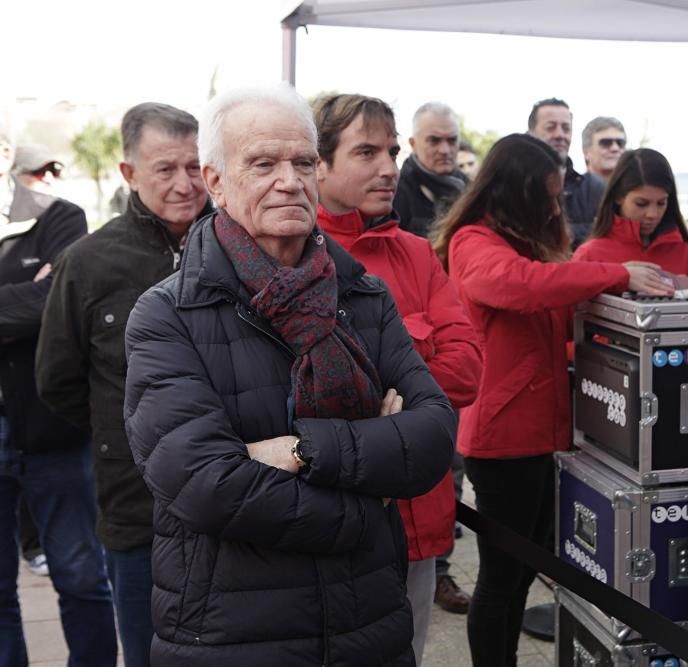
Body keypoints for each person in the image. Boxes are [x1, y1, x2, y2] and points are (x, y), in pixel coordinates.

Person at [122, 84, 455, 666]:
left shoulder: (362, 295)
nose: (289, 180)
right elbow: (206, 485)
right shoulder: (168, 313)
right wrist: (366, 502)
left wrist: (301, 452)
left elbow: (430, 438)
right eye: (263, 163)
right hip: (232, 634)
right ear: (216, 182)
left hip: (366, 623)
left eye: (303, 162)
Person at [432, 133, 671, 666]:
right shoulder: (475, 241)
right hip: (504, 440)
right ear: (517, 192)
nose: (556, 205)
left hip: (542, 433)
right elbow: (519, 286)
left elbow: (551, 308)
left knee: (520, 574)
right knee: (501, 579)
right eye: (549, 194)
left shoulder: (523, 244)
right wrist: (613, 273)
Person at [36, 102, 212, 667]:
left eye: (195, 166)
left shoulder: (242, 248)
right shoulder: (88, 263)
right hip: (138, 511)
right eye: (166, 169)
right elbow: (58, 381)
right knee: (148, 653)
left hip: (234, 502)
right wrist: (125, 433)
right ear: (129, 173)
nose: (185, 184)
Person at [312, 93, 482, 662]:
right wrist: (414, 364)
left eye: (389, 150)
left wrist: (382, 378)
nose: (388, 167)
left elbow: (467, 371)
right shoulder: (287, 254)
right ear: (318, 162)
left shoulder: (415, 252)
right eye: (365, 152)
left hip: (421, 512)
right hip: (330, 521)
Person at [1, 130, 117, 666]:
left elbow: (55, 301)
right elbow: (30, 303)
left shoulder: (59, 216)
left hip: (53, 428)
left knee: (81, 577)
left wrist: (38, 299)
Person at [574, 148, 688, 276]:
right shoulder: (588, 256)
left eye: (661, 203)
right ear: (618, 197)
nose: (652, 214)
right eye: (641, 204)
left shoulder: (685, 254)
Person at [526, 98, 602, 247]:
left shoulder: (594, 187)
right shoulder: (515, 185)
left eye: (566, 128)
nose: (560, 135)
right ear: (531, 133)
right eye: (550, 127)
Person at [393, 102, 466, 238]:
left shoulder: (472, 191)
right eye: (434, 141)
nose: (445, 150)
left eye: (452, 140)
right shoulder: (393, 194)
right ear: (413, 144)